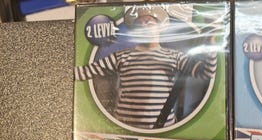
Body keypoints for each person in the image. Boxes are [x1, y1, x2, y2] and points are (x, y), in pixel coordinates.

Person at [75, 5, 217, 129]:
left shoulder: (175, 56)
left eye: (149, 22)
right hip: (125, 129)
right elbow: (84, 72)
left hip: (164, 130)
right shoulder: (121, 56)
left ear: (159, 27)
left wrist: (211, 44)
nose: (144, 26)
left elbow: (207, 72)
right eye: (139, 24)